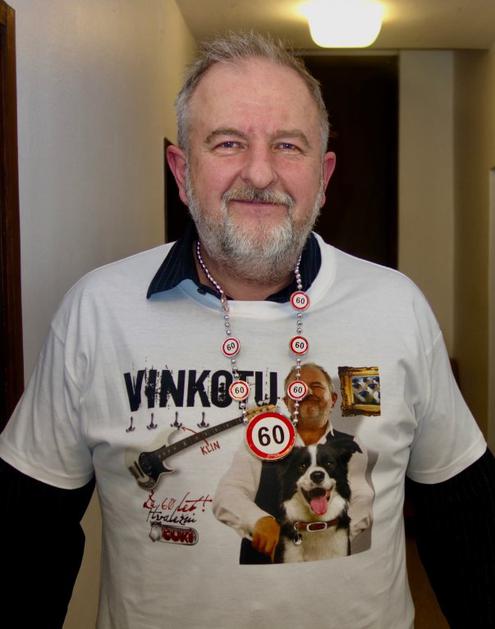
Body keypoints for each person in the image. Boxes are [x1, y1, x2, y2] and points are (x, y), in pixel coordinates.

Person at [1, 32, 494, 629]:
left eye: (288, 145)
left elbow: (466, 526)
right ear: (182, 170)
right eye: (228, 142)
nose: (260, 173)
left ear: (323, 176)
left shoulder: (399, 308)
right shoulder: (97, 313)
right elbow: (27, 542)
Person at [213, 362, 375, 563]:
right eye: (296, 388)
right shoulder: (261, 437)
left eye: (316, 386)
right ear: (287, 401)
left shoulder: (350, 445)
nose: (306, 392)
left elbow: (362, 497)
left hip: (330, 566)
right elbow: (228, 492)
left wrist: (337, 535)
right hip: (263, 568)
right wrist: (257, 520)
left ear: (333, 399)